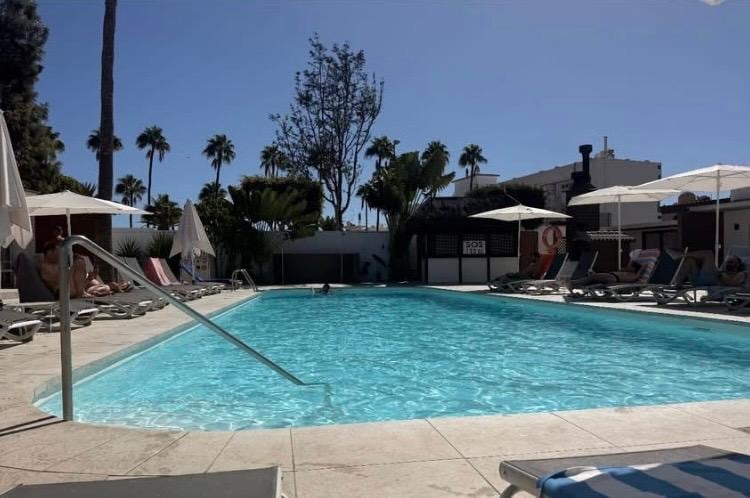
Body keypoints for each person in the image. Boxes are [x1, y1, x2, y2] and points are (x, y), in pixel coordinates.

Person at [673, 250, 747, 287]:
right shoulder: (723, 270)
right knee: (689, 260)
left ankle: (680, 255)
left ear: (738, 264)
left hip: (712, 281)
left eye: (732, 262)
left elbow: (729, 283)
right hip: (702, 280)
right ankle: (677, 284)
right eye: (728, 262)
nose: (729, 263)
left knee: (709, 254)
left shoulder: (741, 274)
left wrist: (720, 276)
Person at [567, 259, 646, 289]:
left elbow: (642, 267)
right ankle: (574, 284)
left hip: (613, 278)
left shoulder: (635, 275)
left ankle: (574, 283)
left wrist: (644, 265)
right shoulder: (629, 272)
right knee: (593, 279)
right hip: (611, 276)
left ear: (635, 269)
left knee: (593, 276)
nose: (629, 267)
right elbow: (631, 262)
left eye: (631, 267)